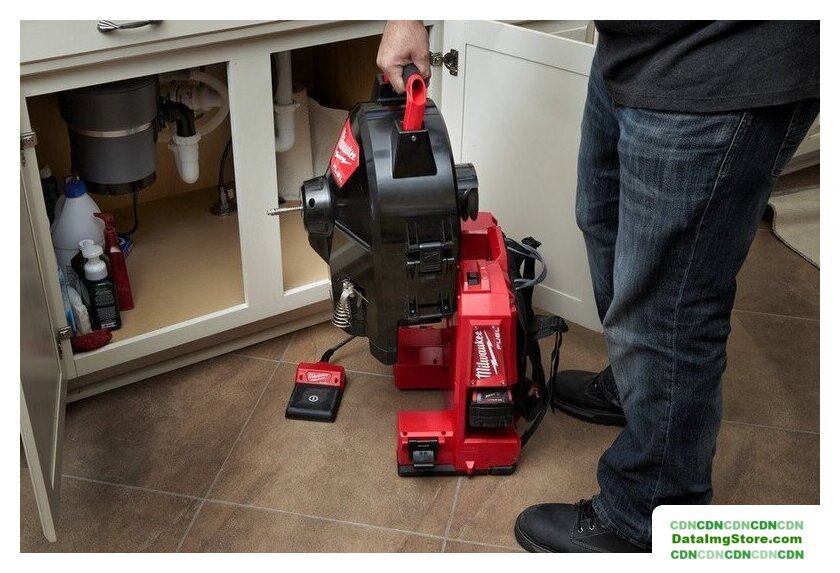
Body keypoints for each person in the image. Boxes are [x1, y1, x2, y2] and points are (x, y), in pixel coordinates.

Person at [377, 20, 819, 552]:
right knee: (602, 220)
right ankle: (638, 389)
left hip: (718, 67)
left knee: (668, 306)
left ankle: (647, 517)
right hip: (634, 50)